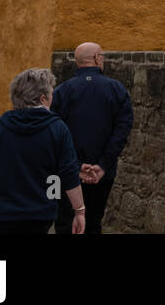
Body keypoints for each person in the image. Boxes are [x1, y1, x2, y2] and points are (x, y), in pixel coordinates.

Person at [0, 67, 86, 234]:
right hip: (37, 215)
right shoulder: (57, 129)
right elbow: (69, 175)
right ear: (43, 98)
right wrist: (79, 211)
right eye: (51, 94)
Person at [51, 42, 133, 234]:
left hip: (68, 171)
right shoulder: (116, 89)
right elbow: (122, 130)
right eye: (102, 56)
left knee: (65, 221)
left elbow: (54, 133)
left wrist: (77, 166)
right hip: (102, 173)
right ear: (97, 58)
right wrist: (103, 165)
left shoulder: (62, 92)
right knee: (94, 221)